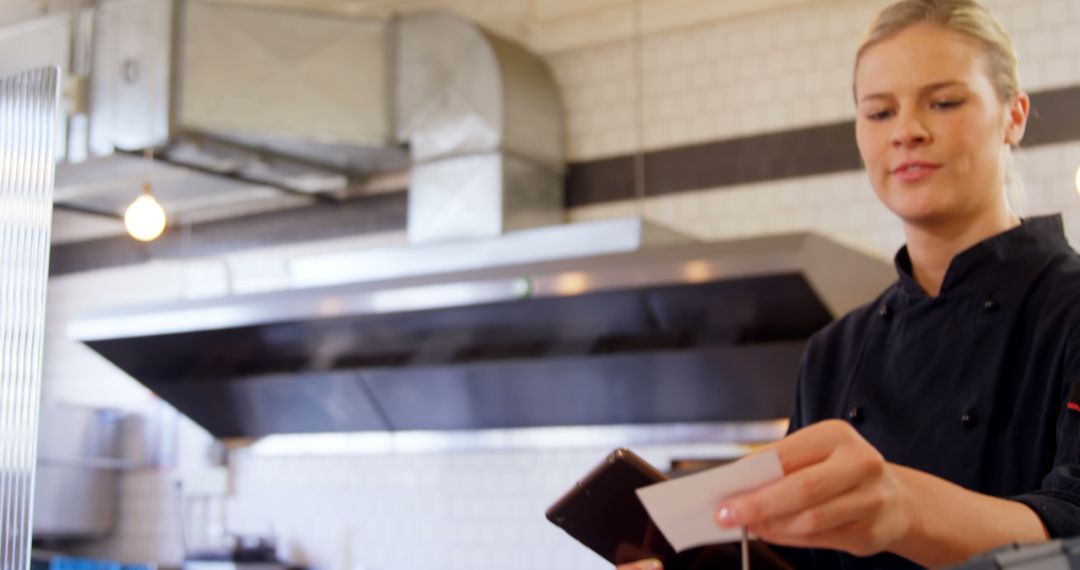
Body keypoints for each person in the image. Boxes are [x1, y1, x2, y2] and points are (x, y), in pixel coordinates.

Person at [619, 0, 1080, 568]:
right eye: (879, 112)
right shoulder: (833, 353)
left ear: (1014, 116)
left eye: (944, 102)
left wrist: (904, 509)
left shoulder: (1070, 310)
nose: (907, 131)